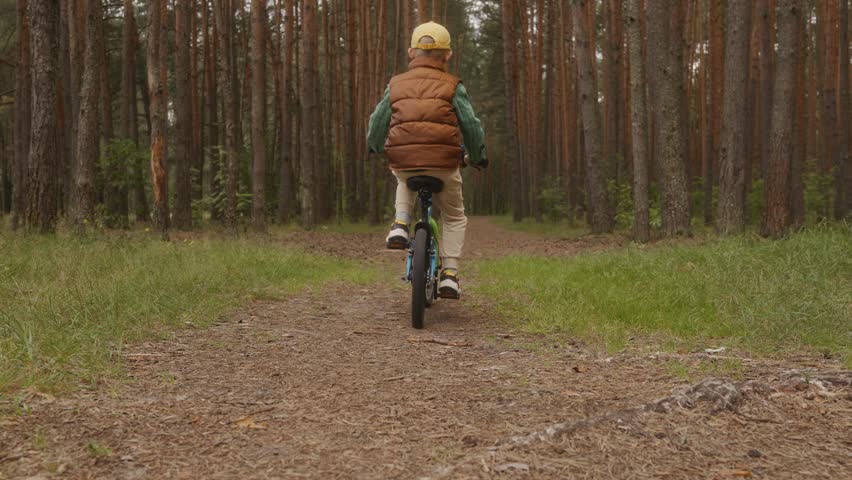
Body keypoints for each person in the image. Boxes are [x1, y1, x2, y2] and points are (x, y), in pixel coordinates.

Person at [367, 21, 487, 300]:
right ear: (448, 55)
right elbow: (471, 125)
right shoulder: (452, 85)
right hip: (444, 164)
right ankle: (450, 275)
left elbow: (378, 120)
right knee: (455, 216)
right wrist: (478, 156)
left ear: (411, 52)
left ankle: (399, 223)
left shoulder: (395, 84)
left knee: (402, 175)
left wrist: (374, 146)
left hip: (404, 160)